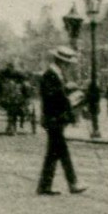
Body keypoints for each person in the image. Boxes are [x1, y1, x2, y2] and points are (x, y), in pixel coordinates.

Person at [37, 46, 88, 196]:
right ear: (61, 62)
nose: (68, 66)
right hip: (54, 118)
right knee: (62, 152)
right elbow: (54, 98)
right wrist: (71, 98)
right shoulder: (51, 75)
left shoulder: (55, 74)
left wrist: (67, 91)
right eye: (67, 63)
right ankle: (73, 183)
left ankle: (44, 186)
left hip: (54, 118)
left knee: (53, 154)